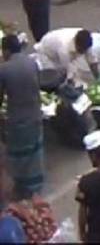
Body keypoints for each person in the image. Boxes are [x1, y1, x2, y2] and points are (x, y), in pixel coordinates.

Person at [0, 34, 43, 199]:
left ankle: (22, 188)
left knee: (18, 155)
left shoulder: (4, 69)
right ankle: (35, 187)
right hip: (35, 115)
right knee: (34, 153)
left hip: (17, 119)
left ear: (7, 50)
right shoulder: (31, 62)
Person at [35, 28, 100, 85]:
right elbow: (68, 69)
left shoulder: (85, 40)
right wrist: (72, 83)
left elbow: (91, 59)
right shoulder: (64, 48)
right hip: (47, 53)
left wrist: (98, 77)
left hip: (58, 49)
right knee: (54, 77)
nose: (82, 53)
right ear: (77, 45)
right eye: (81, 50)